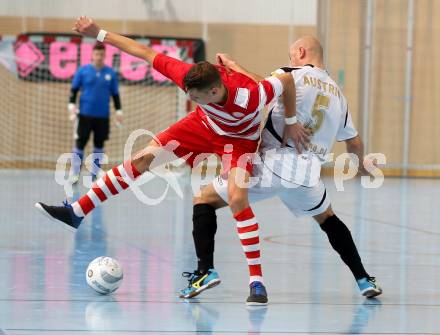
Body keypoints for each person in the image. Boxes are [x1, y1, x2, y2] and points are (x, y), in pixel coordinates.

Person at [35, 16, 306, 305]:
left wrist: (290, 121)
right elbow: (142, 51)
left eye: (196, 96)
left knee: (238, 198)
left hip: (239, 141)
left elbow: (287, 79)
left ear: (214, 91)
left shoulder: (250, 96)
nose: (191, 97)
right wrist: (97, 33)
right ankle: (77, 211)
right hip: (201, 125)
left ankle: (257, 282)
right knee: (142, 158)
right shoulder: (189, 76)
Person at [179, 36, 383, 303]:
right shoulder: (338, 94)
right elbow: (353, 141)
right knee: (328, 218)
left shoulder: (293, 74)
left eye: (290, 55)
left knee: (204, 198)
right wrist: (361, 167)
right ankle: (363, 279)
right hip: (308, 174)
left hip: (275, 161)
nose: (289, 61)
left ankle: (205, 270)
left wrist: (234, 65)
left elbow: (260, 87)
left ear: (300, 52)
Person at [69, 42, 123, 183]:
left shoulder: (110, 73)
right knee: (80, 143)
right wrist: (71, 106)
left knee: (99, 145)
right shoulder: (83, 71)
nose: (99, 57)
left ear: (104, 55)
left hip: (102, 116)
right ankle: (75, 173)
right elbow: (74, 90)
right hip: (85, 115)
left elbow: (115, 94)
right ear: (92, 55)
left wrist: (119, 111)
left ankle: (95, 174)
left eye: (101, 54)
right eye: (96, 54)